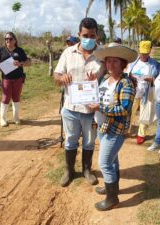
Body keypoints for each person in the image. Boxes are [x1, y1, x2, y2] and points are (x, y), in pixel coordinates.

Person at [53, 17, 105, 187]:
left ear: (97, 35)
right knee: (71, 140)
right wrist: (62, 77)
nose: (89, 39)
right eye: (85, 35)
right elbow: (56, 76)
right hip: (70, 107)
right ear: (78, 34)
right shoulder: (68, 53)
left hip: (91, 110)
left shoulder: (103, 55)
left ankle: (87, 170)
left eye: (92, 35)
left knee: (89, 141)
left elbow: (111, 75)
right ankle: (69, 170)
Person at [90, 42, 137, 211]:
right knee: (113, 160)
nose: (110, 65)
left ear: (123, 64)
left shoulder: (126, 84)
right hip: (103, 126)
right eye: (108, 61)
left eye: (115, 62)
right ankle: (112, 188)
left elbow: (124, 109)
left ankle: (112, 199)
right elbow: (98, 95)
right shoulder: (104, 79)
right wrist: (91, 85)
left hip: (115, 130)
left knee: (104, 164)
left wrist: (100, 108)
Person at [126, 40, 160, 144]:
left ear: (150, 50)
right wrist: (131, 77)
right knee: (129, 111)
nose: (144, 55)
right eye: (142, 53)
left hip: (147, 92)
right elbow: (126, 75)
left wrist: (152, 79)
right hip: (134, 91)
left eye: (146, 53)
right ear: (139, 50)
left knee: (145, 112)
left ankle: (141, 134)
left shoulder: (155, 65)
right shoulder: (132, 63)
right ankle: (126, 130)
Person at [0, 32, 31, 127]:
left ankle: (16, 117)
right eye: (6, 39)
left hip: (18, 79)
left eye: (10, 39)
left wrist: (20, 64)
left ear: (15, 40)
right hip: (6, 79)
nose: (8, 40)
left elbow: (28, 62)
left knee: (16, 97)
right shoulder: (1, 50)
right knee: (5, 98)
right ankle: (2, 119)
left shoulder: (20, 50)